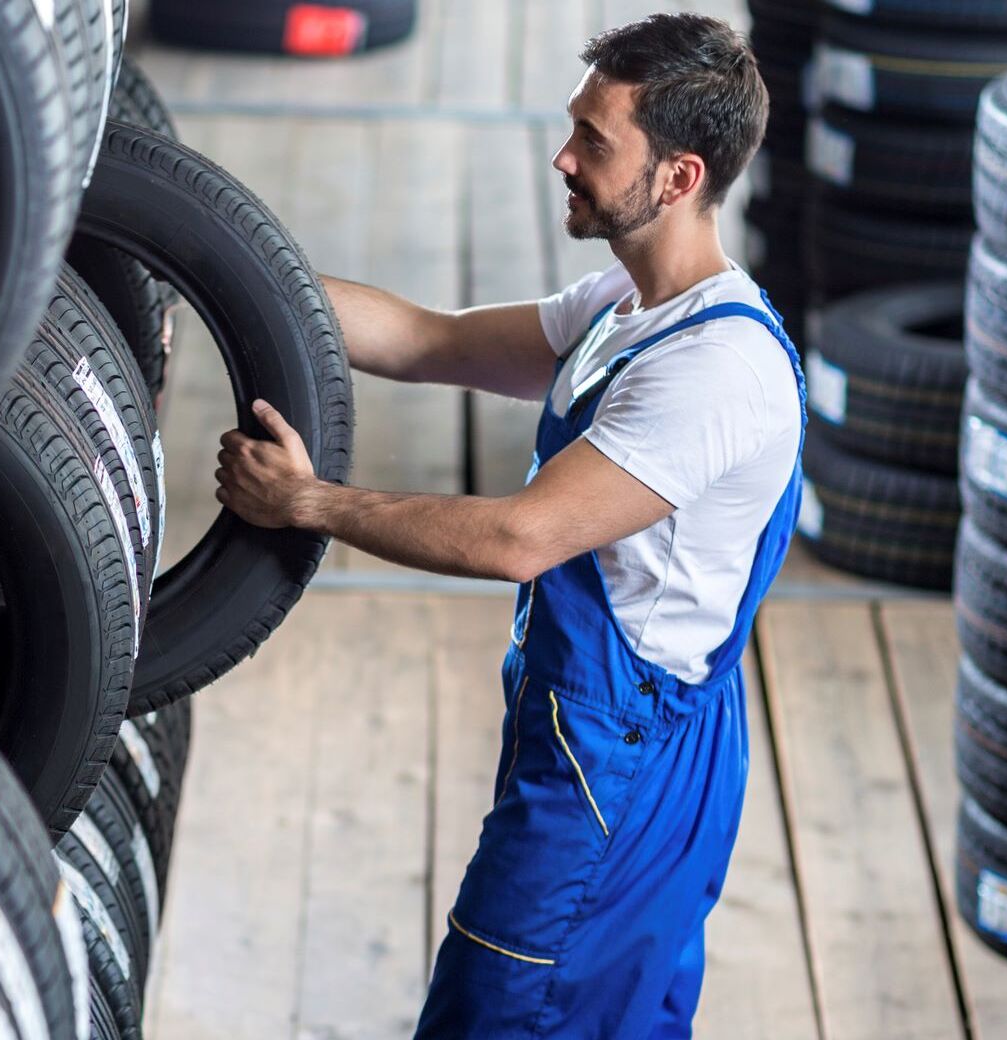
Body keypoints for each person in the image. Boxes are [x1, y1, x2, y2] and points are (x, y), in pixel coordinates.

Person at [212, 13, 797, 1038]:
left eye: (596, 143)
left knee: (504, 1009)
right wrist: (218, 262)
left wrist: (308, 502)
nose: (564, 159)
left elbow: (518, 538)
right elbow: (426, 339)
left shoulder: (712, 371)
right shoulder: (629, 306)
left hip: (626, 762)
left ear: (679, 177)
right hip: (594, 734)